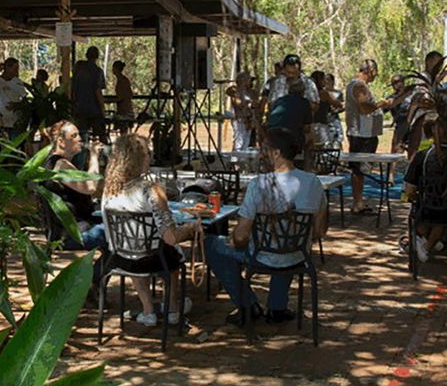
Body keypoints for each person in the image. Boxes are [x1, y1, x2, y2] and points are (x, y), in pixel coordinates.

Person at [203, 131, 326, 325]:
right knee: (284, 241)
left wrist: (234, 241)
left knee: (211, 244)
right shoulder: (313, 182)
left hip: (263, 255)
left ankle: (247, 305)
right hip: (299, 255)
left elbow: (241, 236)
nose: (261, 155)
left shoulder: (258, 185)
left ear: (276, 153)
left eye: (264, 150)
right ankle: (277, 307)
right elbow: (319, 231)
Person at [100, 133, 204, 327]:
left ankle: (148, 310)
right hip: (155, 259)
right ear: (139, 158)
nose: (150, 157)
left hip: (121, 257)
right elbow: (171, 237)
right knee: (172, 250)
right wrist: (191, 228)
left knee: (136, 245)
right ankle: (172, 308)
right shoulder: (150, 189)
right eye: (148, 153)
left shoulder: (109, 189)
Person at [406, 120, 447, 263]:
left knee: (427, 213)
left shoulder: (422, 156)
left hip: (428, 209)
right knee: (441, 213)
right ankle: (430, 241)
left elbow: (409, 190)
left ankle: (426, 244)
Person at [43, 120, 106, 252]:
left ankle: (105, 263)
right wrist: (94, 156)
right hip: (71, 235)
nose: (80, 139)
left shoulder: (63, 163)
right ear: (61, 141)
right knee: (119, 229)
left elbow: (94, 189)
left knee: (114, 219)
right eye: (74, 136)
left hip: (81, 224)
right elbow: (90, 187)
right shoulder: (60, 165)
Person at [345, 59, 390, 214]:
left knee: (360, 170)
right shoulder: (359, 86)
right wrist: (380, 104)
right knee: (359, 170)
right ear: (370, 70)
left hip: (365, 134)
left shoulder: (360, 85)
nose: (376, 75)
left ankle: (359, 202)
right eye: (375, 72)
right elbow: (364, 108)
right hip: (361, 135)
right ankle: (357, 203)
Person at [72, 46, 108, 139]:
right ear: (97, 56)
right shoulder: (97, 71)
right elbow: (98, 91)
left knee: (82, 136)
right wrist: (102, 107)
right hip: (94, 109)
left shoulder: (78, 70)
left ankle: (84, 147)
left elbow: (73, 89)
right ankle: (103, 147)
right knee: (101, 134)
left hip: (80, 108)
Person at [265, 78, 313, 148]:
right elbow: (307, 127)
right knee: (310, 138)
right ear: (303, 92)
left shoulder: (279, 100)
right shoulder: (305, 102)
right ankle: (305, 154)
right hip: (290, 135)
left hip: (272, 133)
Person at [0, 58, 28, 133]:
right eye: (15, 69)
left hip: (13, 121)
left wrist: (16, 105)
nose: (16, 71)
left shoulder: (17, 82)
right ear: (7, 68)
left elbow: (25, 100)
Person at [226, 72, 259, 151]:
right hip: (240, 119)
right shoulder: (235, 91)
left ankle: (243, 156)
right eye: (248, 80)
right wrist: (246, 103)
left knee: (246, 141)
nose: (250, 82)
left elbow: (255, 105)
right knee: (239, 142)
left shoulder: (251, 92)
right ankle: (236, 157)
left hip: (248, 118)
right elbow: (238, 103)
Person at [111, 60, 135, 134]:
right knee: (123, 130)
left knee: (123, 130)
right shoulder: (123, 80)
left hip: (125, 110)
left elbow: (122, 97)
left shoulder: (122, 81)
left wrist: (110, 100)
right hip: (124, 109)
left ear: (116, 69)